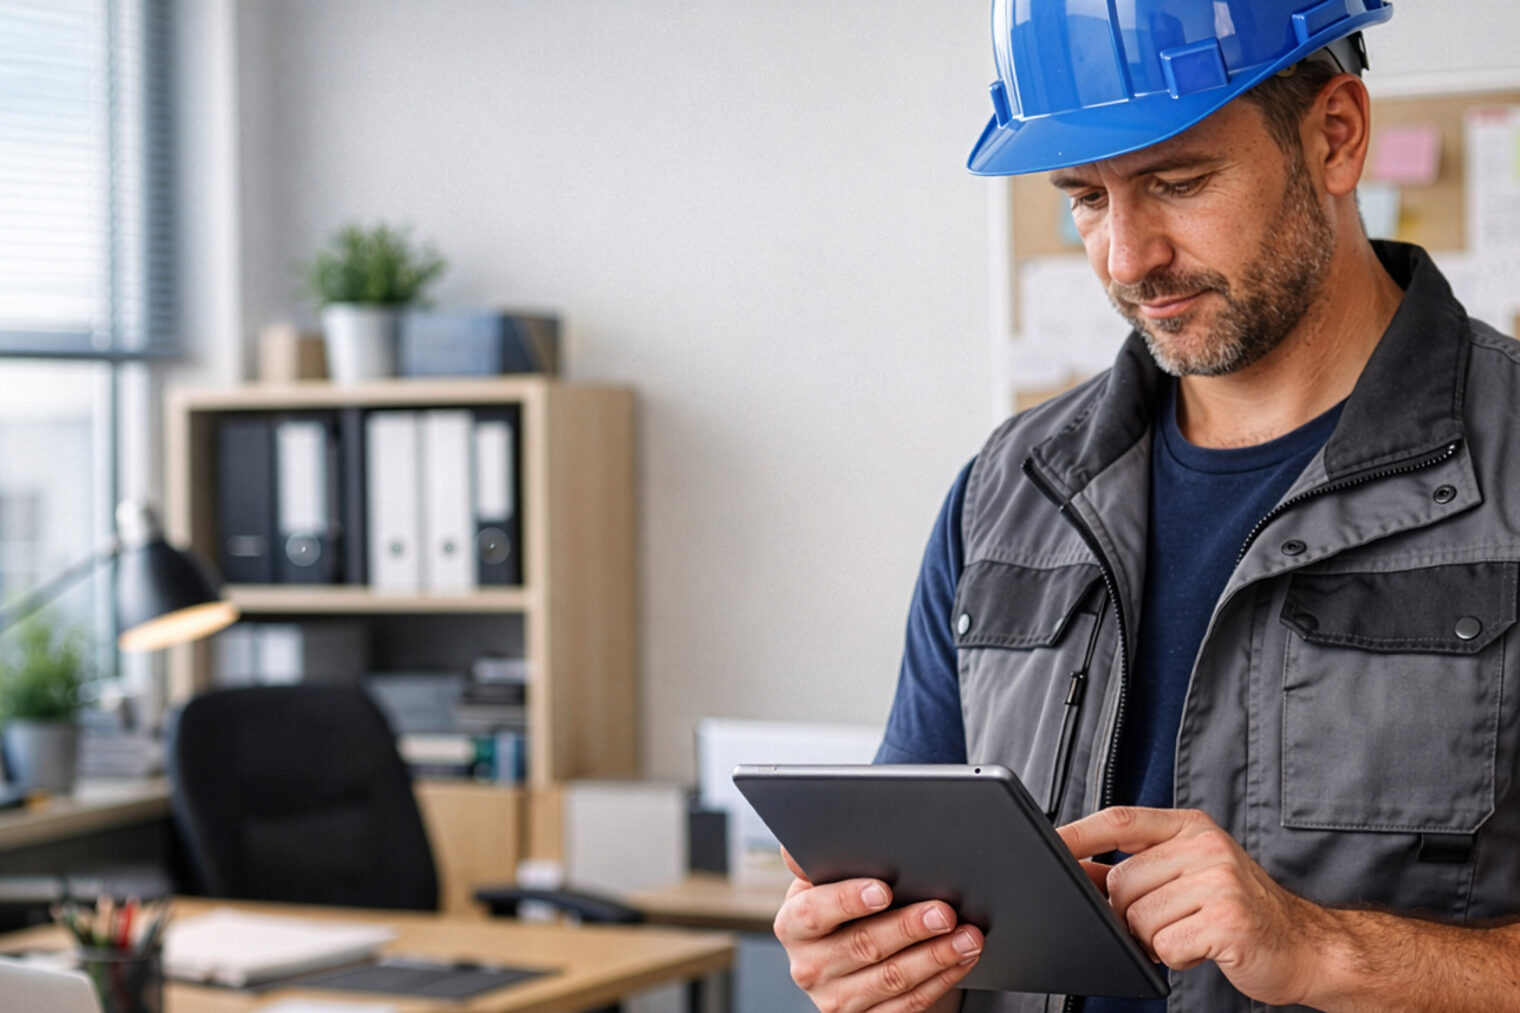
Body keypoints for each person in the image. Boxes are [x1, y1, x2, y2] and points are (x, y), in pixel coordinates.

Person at [772, 2, 1520, 1011]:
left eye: (1178, 182)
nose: (1126, 259)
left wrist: (1325, 948)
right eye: (1085, 197)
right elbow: (915, 904)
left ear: (1336, 136)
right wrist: (884, 965)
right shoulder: (1008, 490)